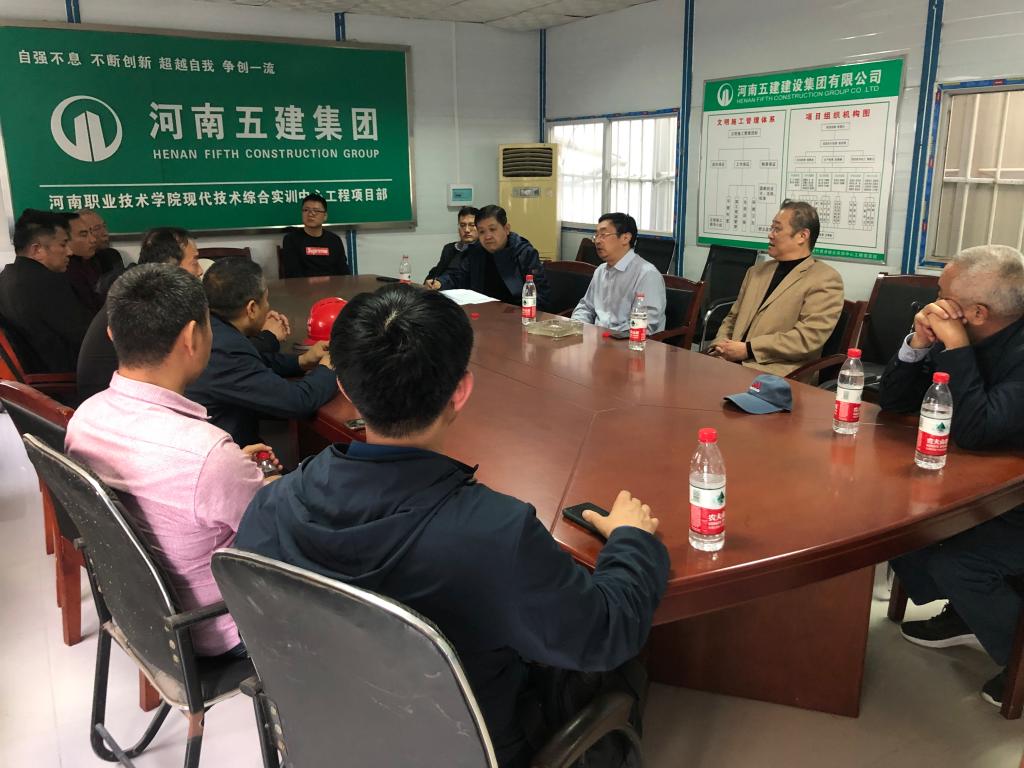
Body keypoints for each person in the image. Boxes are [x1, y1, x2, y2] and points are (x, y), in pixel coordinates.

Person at [234, 284, 669, 768]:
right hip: (474, 748)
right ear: (461, 390)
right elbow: (605, 634)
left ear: (346, 388)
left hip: (326, 736)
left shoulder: (272, 505)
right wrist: (631, 541)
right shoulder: (495, 534)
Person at [66, 264, 280, 658]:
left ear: (112, 334)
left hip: (138, 612)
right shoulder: (206, 454)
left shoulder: (85, 418)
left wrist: (232, 471)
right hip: (218, 628)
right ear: (192, 337)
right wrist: (258, 482)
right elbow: (276, 534)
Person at [879, 244, 1024, 708]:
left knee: (958, 562)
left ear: (978, 313)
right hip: (983, 479)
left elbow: (978, 429)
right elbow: (894, 404)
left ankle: (1021, 664)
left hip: (1016, 498)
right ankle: (966, 611)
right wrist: (919, 345)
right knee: (890, 519)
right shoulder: (961, 327)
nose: (933, 303)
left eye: (942, 294)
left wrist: (957, 348)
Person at [185, 257, 337, 447]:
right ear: (252, 308)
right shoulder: (226, 348)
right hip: (227, 452)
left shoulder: (213, 328)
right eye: (266, 299)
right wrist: (328, 367)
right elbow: (298, 402)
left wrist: (302, 361)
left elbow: (253, 364)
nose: (268, 307)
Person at [709, 200, 843, 376]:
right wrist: (719, 346)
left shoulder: (825, 279)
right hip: (729, 363)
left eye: (777, 229)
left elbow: (806, 338)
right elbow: (732, 318)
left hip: (778, 373)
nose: (770, 235)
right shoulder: (756, 272)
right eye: (771, 228)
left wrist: (748, 349)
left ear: (802, 236)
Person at [77, 227, 202, 401]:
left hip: (116, 398)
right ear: (171, 264)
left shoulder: (136, 289)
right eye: (194, 261)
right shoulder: (147, 299)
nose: (200, 271)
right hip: (116, 401)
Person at [0, 209, 91, 373]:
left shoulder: (6, 278)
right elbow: (85, 335)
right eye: (63, 244)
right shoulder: (47, 282)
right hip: (65, 377)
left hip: (30, 379)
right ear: (37, 250)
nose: (69, 252)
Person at [427, 205, 551, 309]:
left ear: (506, 229)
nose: (487, 236)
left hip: (516, 315)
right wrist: (440, 283)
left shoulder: (524, 253)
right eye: (482, 231)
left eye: (492, 229)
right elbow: (457, 276)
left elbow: (541, 296)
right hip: (484, 312)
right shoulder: (476, 251)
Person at [571, 213, 666, 334]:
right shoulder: (600, 271)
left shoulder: (647, 274)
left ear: (625, 238)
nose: (597, 241)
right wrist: (576, 326)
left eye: (603, 235)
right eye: (596, 235)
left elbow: (644, 323)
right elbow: (586, 307)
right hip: (598, 338)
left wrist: (605, 335)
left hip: (630, 342)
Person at [279, 193, 350, 278]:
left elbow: (343, 271)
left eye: (316, 210)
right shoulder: (291, 239)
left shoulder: (334, 240)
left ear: (325, 216)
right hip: (302, 286)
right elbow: (293, 274)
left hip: (332, 285)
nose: (310, 214)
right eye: (306, 210)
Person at [63, 211, 104, 315]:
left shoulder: (93, 262)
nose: (93, 240)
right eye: (84, 235)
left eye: (91, 232)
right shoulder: (65, 272)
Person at [425, 206, 479, 283]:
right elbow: (438, 271)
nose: (467, 230)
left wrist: (441, 283)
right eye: (462, 225)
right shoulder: (449, 248)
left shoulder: (482, 251)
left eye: (472, 225)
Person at [79, 208, 125, 273]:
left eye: (104, 226)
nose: (105, 233)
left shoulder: (112, 256)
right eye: (97, 228)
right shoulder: (69, 265)